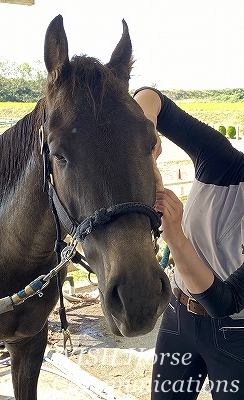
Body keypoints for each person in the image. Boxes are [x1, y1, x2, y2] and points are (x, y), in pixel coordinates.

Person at [134, 87, 244, 399]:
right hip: (178, 318)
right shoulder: (222, 161)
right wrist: (145, 139)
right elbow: (151, 97)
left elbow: (224, 302)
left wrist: (175, 235)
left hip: (236, 332)